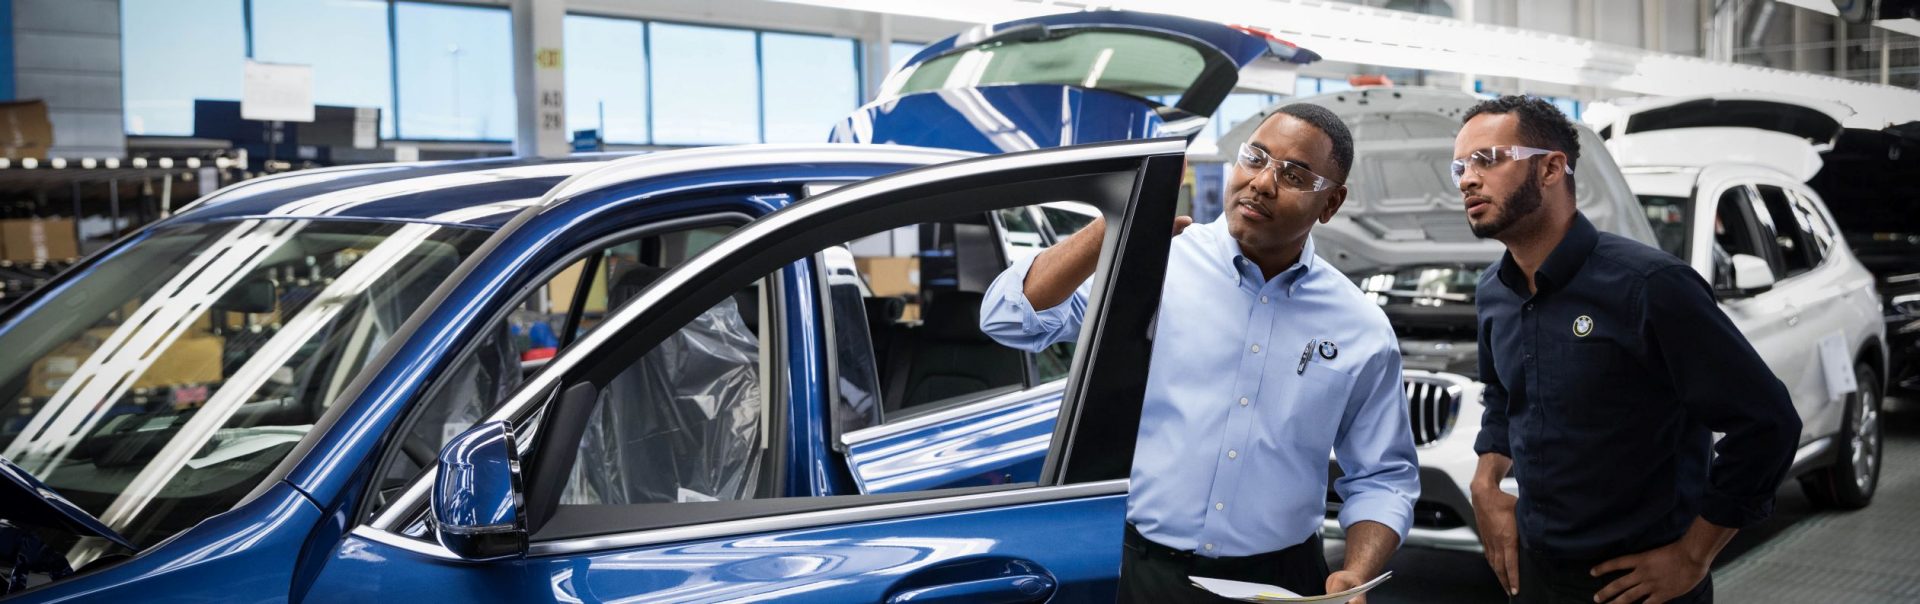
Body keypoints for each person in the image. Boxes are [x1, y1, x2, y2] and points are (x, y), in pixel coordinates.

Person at [979, 103, 1419, 603]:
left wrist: (1355, 574)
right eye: (1255, 158)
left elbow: (1384, 477)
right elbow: (1008, 317)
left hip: (1283, 583)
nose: (1262, 182)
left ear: (1331, 204)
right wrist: (1118, 226)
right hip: (1143, 574)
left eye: (1293, 174)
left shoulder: (1360, 326)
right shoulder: (1152, 266)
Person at [1453, 95, 1800, 604]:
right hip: (1536, 575)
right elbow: (1504, 396)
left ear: (1551, 169)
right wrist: (1487, 482)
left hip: (1640, 584)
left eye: (1488, 159)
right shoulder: (1494, 291)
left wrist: (1692, 557)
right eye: (1460, 165)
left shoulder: (1651, 287)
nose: (1466, 179)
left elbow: (1768, 423)